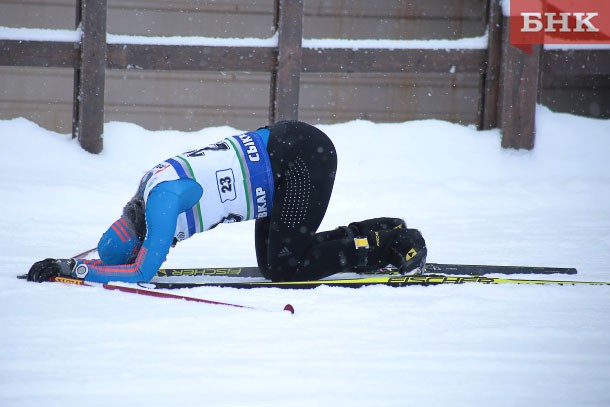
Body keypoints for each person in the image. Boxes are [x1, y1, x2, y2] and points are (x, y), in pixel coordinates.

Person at [27, 120, 427, 284]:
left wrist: (77, 271)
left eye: (143, 248)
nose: (157, 251)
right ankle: (377, 229)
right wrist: (76, 262)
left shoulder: (161, 205)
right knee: (275, 264)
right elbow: (124, 257)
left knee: (287, 268)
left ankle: (387, 246)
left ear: (139, 237)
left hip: (301, 160)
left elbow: (141, 274)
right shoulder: (148, 195)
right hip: (280, 161)